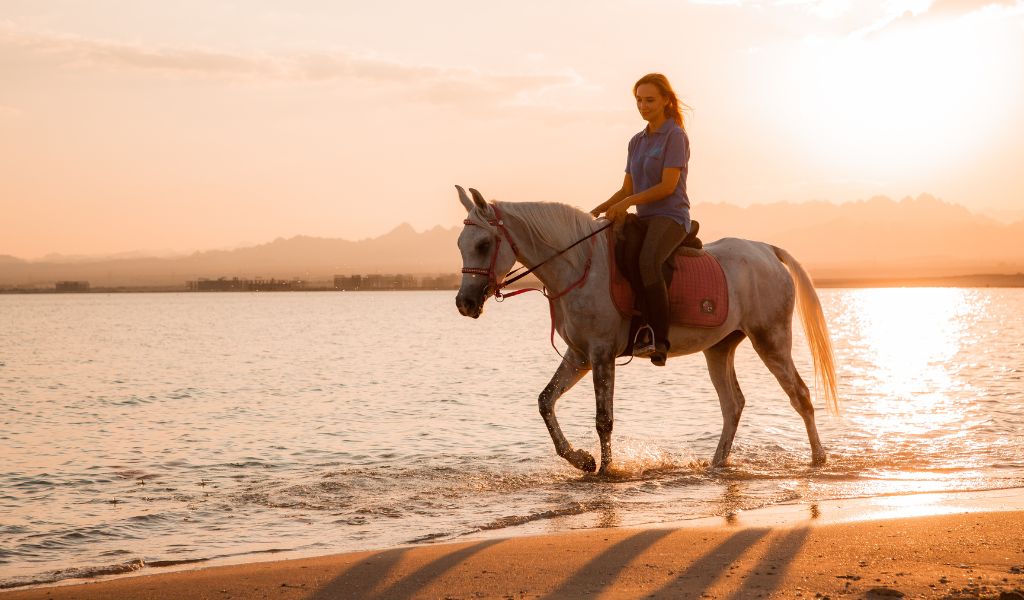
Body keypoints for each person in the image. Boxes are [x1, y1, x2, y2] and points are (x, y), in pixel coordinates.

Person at [591, 73, 692, 366]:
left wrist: (628, 203)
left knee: (648, 261)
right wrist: (597, 209)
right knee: (621, 257)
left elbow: (667, 186)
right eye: (639, 100)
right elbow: (626, 189)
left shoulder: (675, 136)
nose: (643, 106)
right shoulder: (636, 141)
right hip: (644, 217)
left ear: (665, 101)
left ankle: (659, 339)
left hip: (671, 216)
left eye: (649, 100)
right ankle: (635, 325)